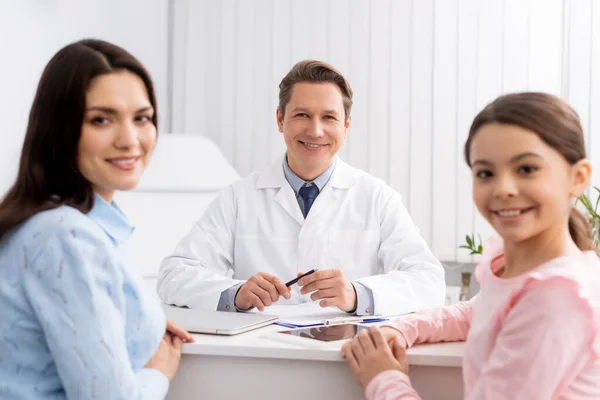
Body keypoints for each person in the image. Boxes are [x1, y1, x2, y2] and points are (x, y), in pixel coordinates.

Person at [341, 92, 600, 399]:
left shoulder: (557, 295)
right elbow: (471, 313)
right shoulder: (521, 270)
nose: (503, 189)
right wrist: (401, 329)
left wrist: (384, 378)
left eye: (526, 169)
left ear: (578, 177)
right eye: (485, 173)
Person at [157, 60, 445, 316]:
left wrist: (358, 294)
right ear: (280, 119)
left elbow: (428, 281)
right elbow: (174, 275)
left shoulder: (377, 198)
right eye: (302, 115)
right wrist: (235, 293)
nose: (315, 131)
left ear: (346, 125)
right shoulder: (239, 198)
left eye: (329, 117)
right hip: (257, 355)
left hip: (344, 356)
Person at [0, 39, 194, 399]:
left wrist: (136, 322)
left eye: (142, 118)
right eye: (101, 120)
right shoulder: (65, 236)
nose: (129, 139)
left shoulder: (61, 222)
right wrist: (157, 373)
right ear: (61, 128)